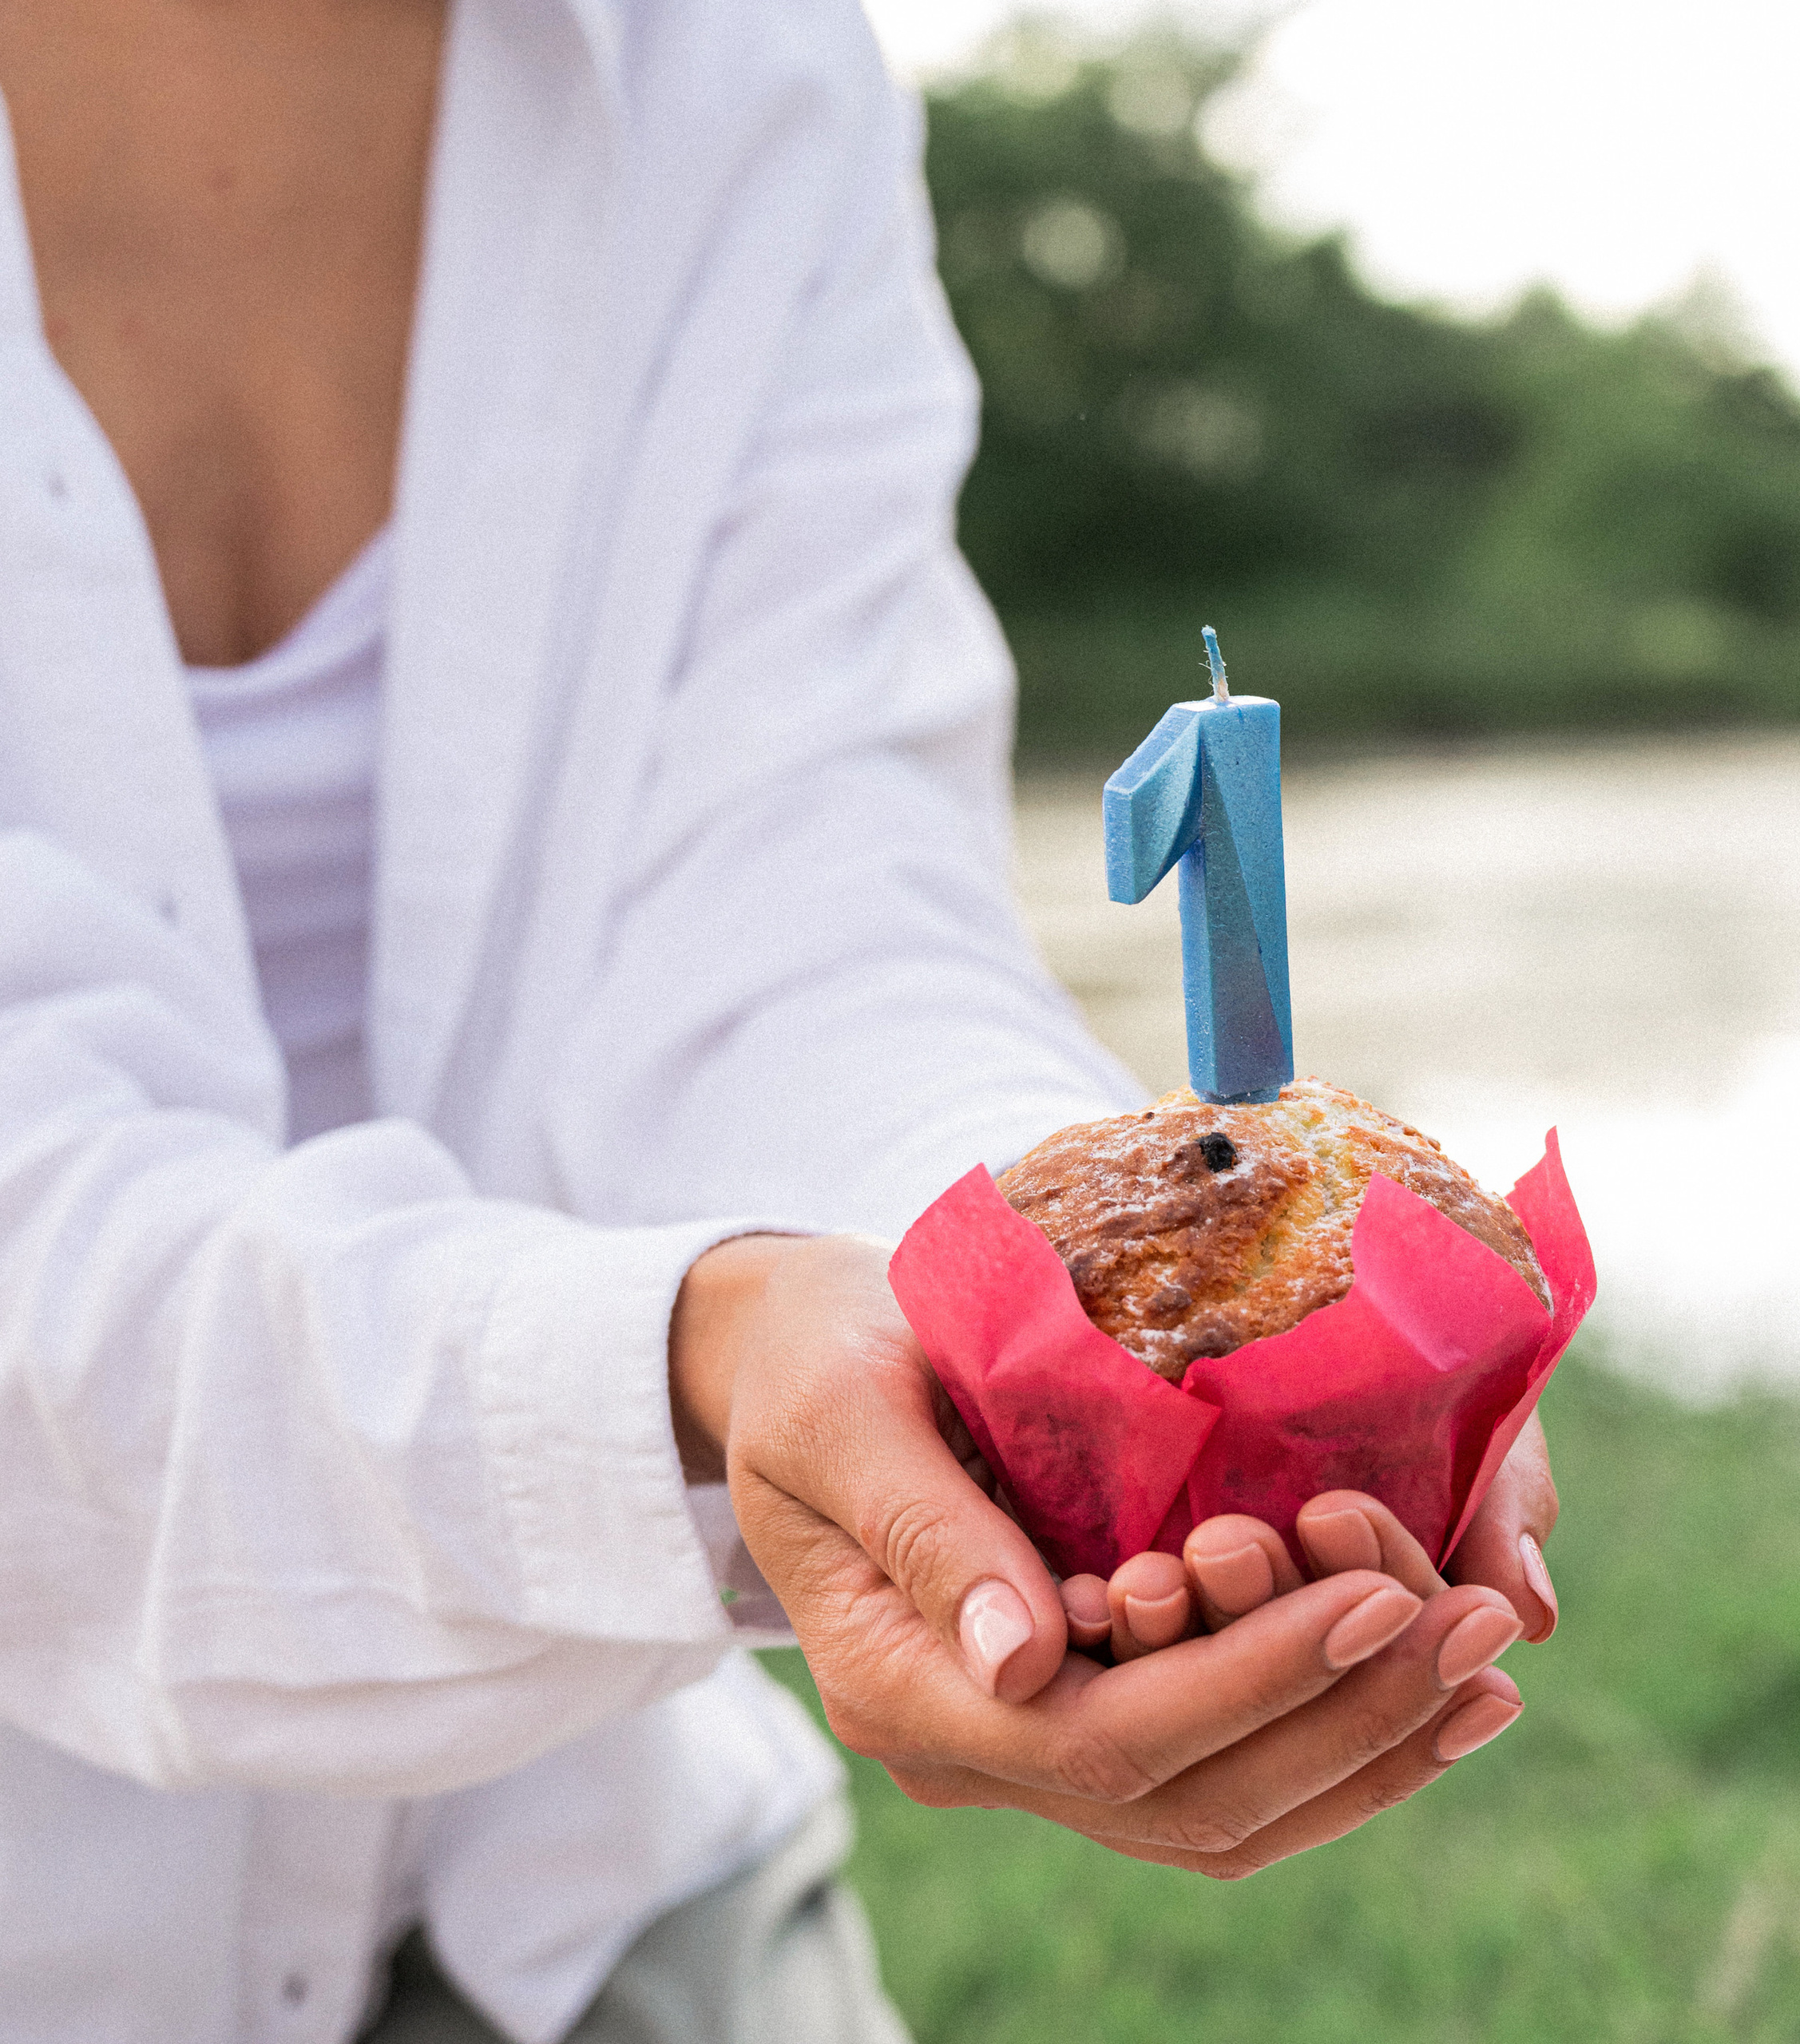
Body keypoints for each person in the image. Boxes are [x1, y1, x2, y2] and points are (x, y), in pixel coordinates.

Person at [0, 2, 1560, 2039]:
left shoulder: (735, 64)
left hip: (599, 1893)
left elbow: (796, 886)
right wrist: (695, 1354)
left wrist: (1036, 1348)